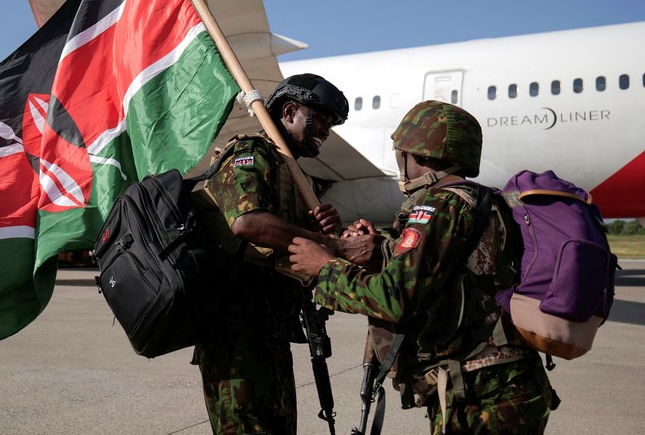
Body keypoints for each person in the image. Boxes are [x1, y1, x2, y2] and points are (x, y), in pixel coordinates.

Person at [288, 100, 559, 434]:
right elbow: (455, 271)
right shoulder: (482, 201)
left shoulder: (440, 206)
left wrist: (324, 267)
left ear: (415, 154)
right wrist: (384, 251)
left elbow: (395, 299)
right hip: (507, 383)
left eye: (401, 151)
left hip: (481, 394)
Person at [192, 73, 348, 435]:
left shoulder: (292, 172)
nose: (326, 130)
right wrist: (325, 244)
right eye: (321, 119)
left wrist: (322, 226)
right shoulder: (252, 152)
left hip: (270, 328)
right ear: (290, 111)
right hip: (236, 333)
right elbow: (247, 223)